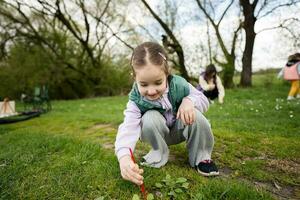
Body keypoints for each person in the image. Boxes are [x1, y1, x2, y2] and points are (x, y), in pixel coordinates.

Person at [114, 42, 219, 186]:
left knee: (195, 114)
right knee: (149, 116)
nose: (151, 91)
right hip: (156, 133)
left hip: (180, 128)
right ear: (135, 78)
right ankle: (157, 154)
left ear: (166, 73)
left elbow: (203, 100)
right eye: (144, 84)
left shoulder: (179, 84)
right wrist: (124, 157)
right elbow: (128, 128)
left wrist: (189, 101)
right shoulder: (135, 100)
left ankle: (201, 157)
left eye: (158, 82)